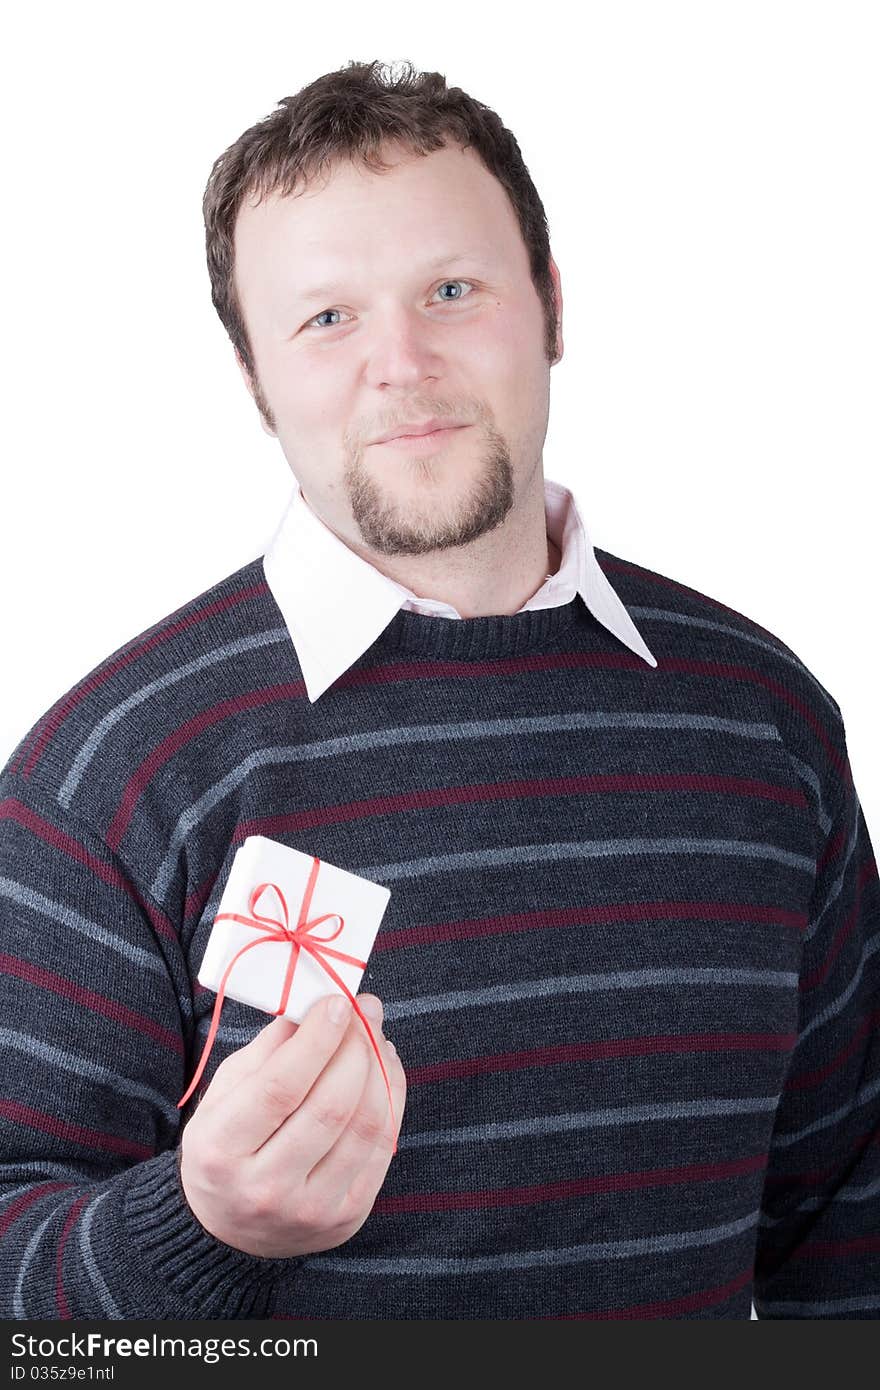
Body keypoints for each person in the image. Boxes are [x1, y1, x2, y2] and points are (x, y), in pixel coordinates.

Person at [1, 57, 877, 1323]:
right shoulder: (116, 771)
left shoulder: (763, 719)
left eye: (451, 291)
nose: (401, 364)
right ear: (254, 379)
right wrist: (198, 1231)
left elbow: (844, 1220)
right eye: (327, 319)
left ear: (551, 307)